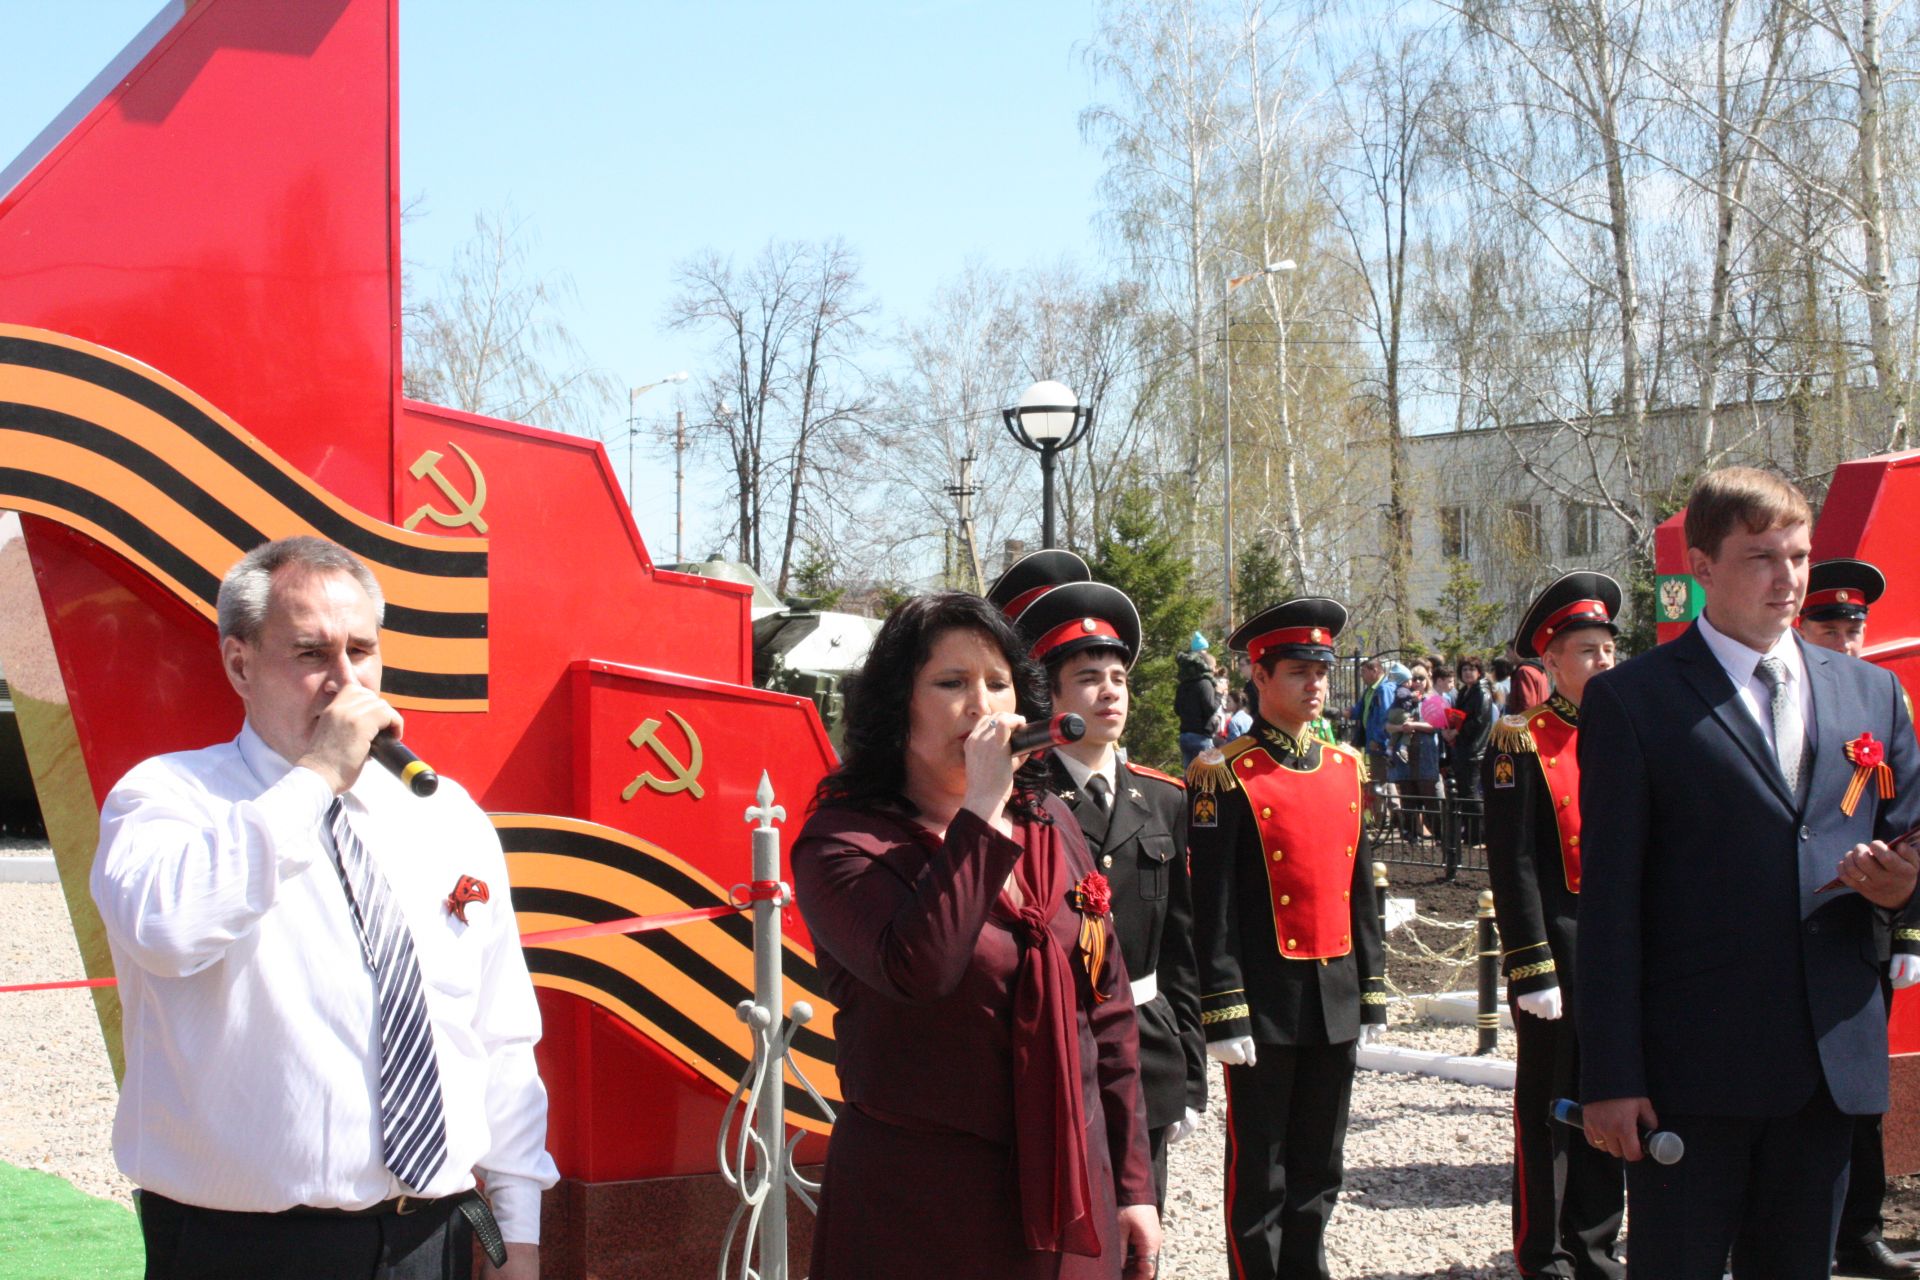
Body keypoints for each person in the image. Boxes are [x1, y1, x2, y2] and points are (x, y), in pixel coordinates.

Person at [90, 536, 556, 1280]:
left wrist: (519, 1231)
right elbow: (167, 930)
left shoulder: (444, 813)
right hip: (247, 1249)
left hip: (429, 1238)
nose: (346, 682)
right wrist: (316, 780)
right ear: (240, 663)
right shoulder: (169, 798)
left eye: (362, 652)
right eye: (312, 654)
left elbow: (498, 1034)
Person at [1577, 468, 1920, 1278]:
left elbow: (1907, 828)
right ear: (1701, 566)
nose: (1790, 578)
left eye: (1799, 556)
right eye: (1763, 557)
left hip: (1828, 1062)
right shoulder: (1636, 700)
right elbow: (1613, 904)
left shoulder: (1872, 692)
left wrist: (1902, 886)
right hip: (1695, 1069)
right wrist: (1611, 1076)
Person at [790, 592, 1160, 1279]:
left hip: (1070, 1187)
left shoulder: (1050, 821)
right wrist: (982, 807)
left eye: (997, 684)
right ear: (897, 704)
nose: (982, 706)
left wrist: (1134, 1184)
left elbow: (1106, 1011)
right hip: (925, 1209)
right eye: (951, 684)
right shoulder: (843, 845)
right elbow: (920, 969)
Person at [1188, 598, 1388, 1280]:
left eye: (1321, 673)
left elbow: (1361, 894)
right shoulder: (1226, 774)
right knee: (1263, 1169)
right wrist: (1222, 1004)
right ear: (1260, 676)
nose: (1315, 686)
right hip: (1266, 1000)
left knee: (1320, 1164)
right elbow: (1210, 906)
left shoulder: (1346, 769)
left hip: (1332, 993)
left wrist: (1373, 992)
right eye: (1299, 671)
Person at [1014, 580, 1208, 1209]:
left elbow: (1183, 945)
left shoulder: (1164, 798)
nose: (1109, 693)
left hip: (1146, 1044)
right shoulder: (1025, 804)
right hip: (1056, 1049)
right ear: (1053, 697)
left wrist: (1191, 1071)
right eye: (1089, 678)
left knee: (1140, 1232)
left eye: (1118, 678)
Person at [1484, 573, 1626, 1280]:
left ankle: (1597, 1245)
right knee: (1549, 1107)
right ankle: (1545, 1251)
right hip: (1559, 953)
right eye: (1587, 651)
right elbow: (1513, 865)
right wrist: (1531, 964)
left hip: (1620, 950)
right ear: (1551, 663)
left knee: (1615, 1094)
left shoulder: (1631, 734)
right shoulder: (1521, 741)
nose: (1602, 663)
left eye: (1608, 650)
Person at [1799, 559, 1915, 1280]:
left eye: (1854, 630)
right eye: (1829, 628)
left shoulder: (1882, 698)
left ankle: (1859, 1232)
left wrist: (1910, 929)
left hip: (1859, 928)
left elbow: (1907, 819)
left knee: (1860, 1093)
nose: (1844, 642)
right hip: (1783, 930)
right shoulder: (1773, 700)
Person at [1388, 664, 1442, 842]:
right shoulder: (1402, 699)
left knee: (1429, 795)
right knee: (1408, 795)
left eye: (1422, 678)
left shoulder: (1433, 700)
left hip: (1425, 752)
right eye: (1415, 678)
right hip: (1405, 753)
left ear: (1428, 680)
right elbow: (1387, 725)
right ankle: (1411, 834)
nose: (1418, 682)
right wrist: (1401, 727)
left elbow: (1436, 726)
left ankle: (1439, 834)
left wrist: (1414, 726)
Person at [1352, 658, 1394, 825]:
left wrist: (1378, 739)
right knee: (1380, 780)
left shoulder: (1384, 690)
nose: (1361, 676)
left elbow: (1385, 716)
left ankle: (1383, 819)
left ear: (1375, 671)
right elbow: (1359, 710)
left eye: (1363, 672)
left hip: (1380, 745)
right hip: (1370, 743)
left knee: (1381, 781)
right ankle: (1383, 817)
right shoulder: (1370, 690)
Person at [1177, 643, 1224, 767]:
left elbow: (1177, 709)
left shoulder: (1183, 684)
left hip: (1185, 736)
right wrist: (1218, 694)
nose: (1215, 670)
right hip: (1201, 737)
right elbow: (1210, 708)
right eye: (1214, 667)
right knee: (1205, 776)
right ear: (1207, 667)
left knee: (1190, 775)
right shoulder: (1204, 683)